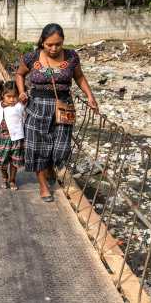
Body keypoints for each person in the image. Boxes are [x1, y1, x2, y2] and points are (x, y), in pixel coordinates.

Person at [14, 22, 98, 202]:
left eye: (58, 44)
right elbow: (19, 74)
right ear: (42, 42)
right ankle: (43, 184)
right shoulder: (31, 58)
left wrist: (90, 96)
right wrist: (21, 91)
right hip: (37, 106)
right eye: (49, 44)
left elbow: (79, 77)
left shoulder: (71, 56)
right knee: (37, 146)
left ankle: (51, 164)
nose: (54, 48)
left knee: (61, 147)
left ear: (63, 42)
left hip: (63, 106)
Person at [0, 80, 25, 190]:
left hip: (16, 139)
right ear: (3, 95)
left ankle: (12, 180)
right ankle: (4, 177)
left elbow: (26, 116)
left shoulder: (19, 106)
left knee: (14, 162)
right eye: (9, 96)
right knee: (2, 162)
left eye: (15, 96)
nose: (12, 99)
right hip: (2, 139)